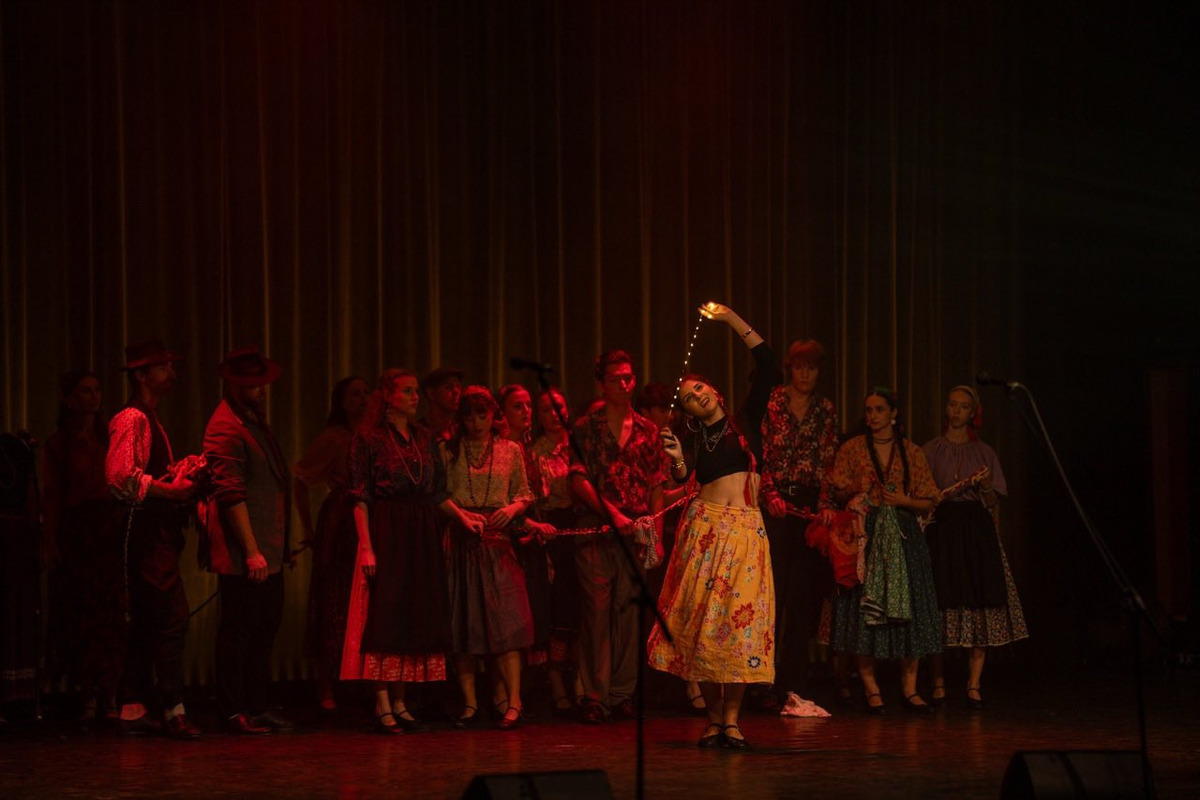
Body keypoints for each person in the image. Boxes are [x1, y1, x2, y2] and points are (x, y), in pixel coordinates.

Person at [649, 302, 777, 749]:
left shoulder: (746, 420)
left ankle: (733, 720)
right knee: (700, 625)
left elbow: (768, 363)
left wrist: (729, 321)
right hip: (703, 530)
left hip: (744, 532)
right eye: (686, 396)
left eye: (699, 386)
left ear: (716, 391)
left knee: (738, 625)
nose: (695, 395)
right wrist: (678, 461)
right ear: (685, 410)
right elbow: (684, 480)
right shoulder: (689, 437)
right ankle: (712, 718)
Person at [340, 369, 453, 734]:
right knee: (386, 613)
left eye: (416, 391)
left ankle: (402, 698)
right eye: (407, 391)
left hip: (420, 528)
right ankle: (382, 700)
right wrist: (367, 548)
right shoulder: (369, 437)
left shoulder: (424, 436)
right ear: (388, 396)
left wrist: (464, 519)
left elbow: (436, 491)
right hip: (387, 527)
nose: (415, 397)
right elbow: (360, 497)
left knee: (413, 611)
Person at [104, 339, 201, 739]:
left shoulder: (150, 419)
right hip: (144, 534)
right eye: (163, 367)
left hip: (152, 534)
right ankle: (172, 706)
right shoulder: (133, 417)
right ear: (142, 375)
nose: (171, 374)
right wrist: (173, 491)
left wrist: (181, 472)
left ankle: (132, 705)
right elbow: (121, 477)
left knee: (147, 620)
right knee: (170, 618)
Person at [824, 387, 941, 714]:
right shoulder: (853, 449)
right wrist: (857, 493)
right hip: (868, 533)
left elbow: (929, 499)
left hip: (903, 536)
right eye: (869, 410)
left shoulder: (911, 451)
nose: (872, 415)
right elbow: (837, 487)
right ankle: (871, 687)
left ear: (894, 414)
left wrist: (904, 500)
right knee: (865, 610)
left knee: (911, 609)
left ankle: (909, 689)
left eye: (879, 409)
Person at [569, 349, 669, 723]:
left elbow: (657, 486)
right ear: (601, 383)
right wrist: (611, 513)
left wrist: (656, 537)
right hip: (595, 530)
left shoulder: (648, 431)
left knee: (628, 613)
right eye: (616, 379)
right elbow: (577, 479)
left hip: (636, 534)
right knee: (596, 611)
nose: (625, 385)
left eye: (629, 377)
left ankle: (622, 691)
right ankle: (594, 693)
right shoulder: (586, 427)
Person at [201, 346, 292, 735]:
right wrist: (252, 551)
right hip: (246, 553)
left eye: (262, 384)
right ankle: (232, 709)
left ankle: (256, 704)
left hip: (266, 548)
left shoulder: (252, 420)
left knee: (264, 627)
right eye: (253, 385)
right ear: (234, 385)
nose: (261, 391)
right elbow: (231, 493)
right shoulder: (225, 426)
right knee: (239, 630)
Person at [923, 385, 1027, 709]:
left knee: (979, 598)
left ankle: (974, 682)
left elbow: (993, 500)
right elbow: (924, 495)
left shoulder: (985, 453)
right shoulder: (930, 450)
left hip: (975, 531)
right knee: (940, 600)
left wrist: (984, 488)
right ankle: (938, 681)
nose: (956, 411)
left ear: (972, 413)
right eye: (952, 404)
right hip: (943, 530)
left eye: (963, 406)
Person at [439, 386, 536, 730]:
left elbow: (525, 493)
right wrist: (460, 516)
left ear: (493, 416)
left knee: (507, 624)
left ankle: (514, 701)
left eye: (482, 415)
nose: (476, 422)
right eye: (469, 416)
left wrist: (512, 507)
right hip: (463, 541)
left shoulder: (511, 450)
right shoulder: (448, 451)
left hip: (497, 542)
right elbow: (438, 494)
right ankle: (469, 702)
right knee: (463, 623)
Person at [41, 370, 125, 724]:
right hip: (79, 531)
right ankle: (88, 693)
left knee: (110, 613)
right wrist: (50, 540)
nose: (93, 397)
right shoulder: (58, 445)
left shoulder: (109, 439)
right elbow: (52, 497)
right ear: (69, 398)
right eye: (85, 391)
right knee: (83, 614)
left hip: (107, 527)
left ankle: (109, 693)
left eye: (97, 390)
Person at [758, 341, 839, 705]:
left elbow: (827, 462)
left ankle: (795, 682)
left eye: (812, 368)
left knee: (803, 599)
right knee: (772, 596)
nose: (805, 374)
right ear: (790, 369)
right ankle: (762, 681)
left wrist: (824, 504)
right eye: (800, 367)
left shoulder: (825, 410)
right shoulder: (774, 401)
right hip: (777, 505)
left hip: (807, 505)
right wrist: (769, 493)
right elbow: (762, 453)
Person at [293, 375, 370, 711]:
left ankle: (368, 680)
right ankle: (326, 685)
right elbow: (299, 477)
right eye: (355, 394)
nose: (362, 399)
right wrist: (307, 527)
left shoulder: (374, 437)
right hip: (341, 523)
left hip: (369, 521)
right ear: (341, 401)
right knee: (332, 599)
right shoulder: (334, 439)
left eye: (367, 393)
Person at [527, 387, 584, 716]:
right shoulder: (536, 452)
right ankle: (557, 685)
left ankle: (580, 682)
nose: (554, 415)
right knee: (560, 613)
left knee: (581, 611)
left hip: (582, 524)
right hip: (554, 528)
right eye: (546, 409)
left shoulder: (578, 443)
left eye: (558, 407)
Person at [419, 367, 464, 442]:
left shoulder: (461, 432)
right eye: (448, 387)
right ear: (431, 393)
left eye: (458, 387)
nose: (456, 391)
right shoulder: (419, 433)